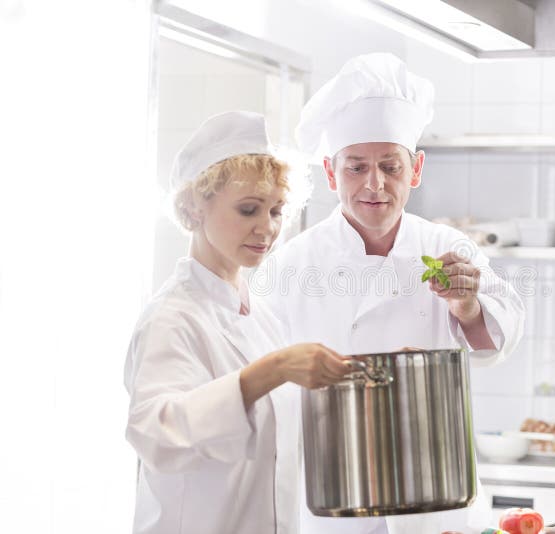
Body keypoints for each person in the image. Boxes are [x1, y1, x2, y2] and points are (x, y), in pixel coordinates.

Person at [258, 53, 525, 534]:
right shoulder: (290, 265)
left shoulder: (447, 248)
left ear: (416, 169)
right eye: (357, 167)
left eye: (390, 166)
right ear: (332, 172)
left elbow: (500, 338)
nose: (374, 183)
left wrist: (467, 307)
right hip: (334, 500)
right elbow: (261, 383)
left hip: (435, 497)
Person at [124, 111, 351, 534]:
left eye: (276, 210)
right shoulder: (173, 319)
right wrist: (270, 371)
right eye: (248, 209)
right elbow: (156, 434)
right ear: (194, 209)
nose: (267, 228)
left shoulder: (260, 315)